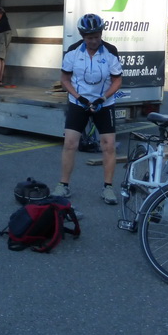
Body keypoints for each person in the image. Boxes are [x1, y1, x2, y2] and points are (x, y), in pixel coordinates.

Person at [53, 13, 123, 205]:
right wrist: (79, 97)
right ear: (82, 36)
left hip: (103, 103)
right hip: (79, 102)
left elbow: (117, 80)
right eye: (90, 37)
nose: (94, 41)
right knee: (70, 143)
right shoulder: (73, 51)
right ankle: (63, 185)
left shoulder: (110, 51)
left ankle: (108, 188)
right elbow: (65, 79)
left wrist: (103, 98)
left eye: (97, 36)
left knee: (108, 145)